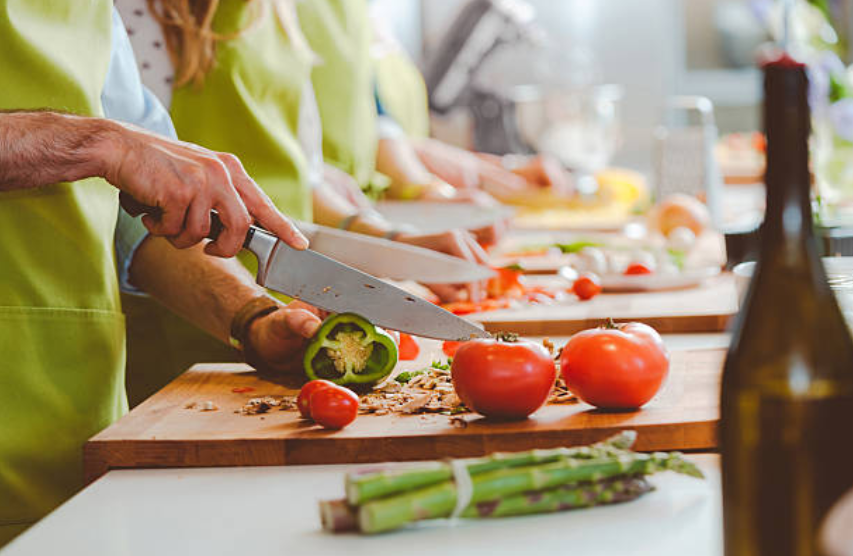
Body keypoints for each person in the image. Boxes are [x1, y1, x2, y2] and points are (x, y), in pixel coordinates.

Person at [0, 3, 323, 545]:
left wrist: (252, 318)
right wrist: (96, 142)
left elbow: (144, 224)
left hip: (82, 431)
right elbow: (111, 151)